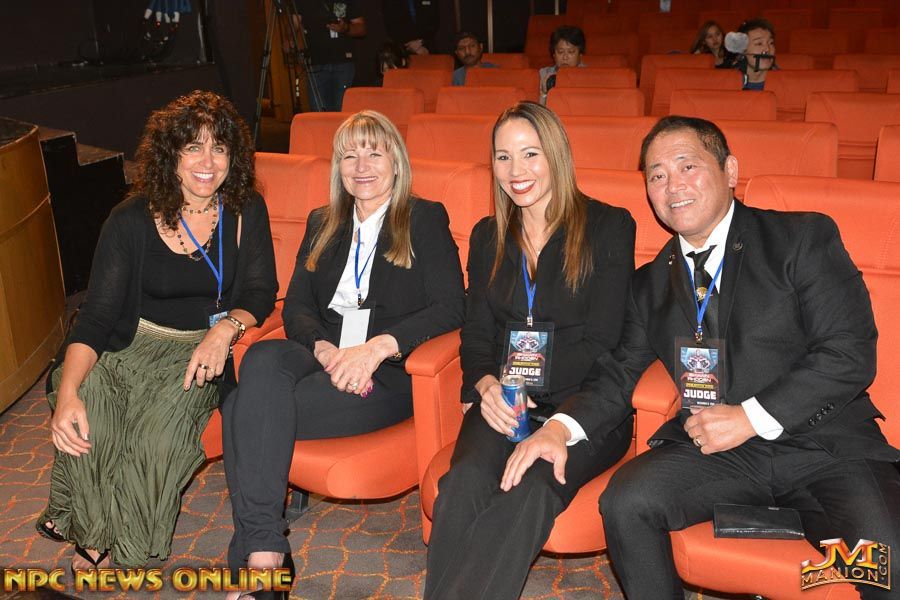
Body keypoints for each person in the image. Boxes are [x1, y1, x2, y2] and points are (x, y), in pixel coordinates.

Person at [501, 115, 900, 600]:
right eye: (657, 175)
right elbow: (618, 375)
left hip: (824, 446)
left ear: (730, 171)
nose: (673, 186)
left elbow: (848, 352)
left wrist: (750, 417)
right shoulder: (650, 285)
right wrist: (559, 429)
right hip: (721, 455)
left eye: (687, 166)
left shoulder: (800, 238)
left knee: (886, 564)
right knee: (627, 501)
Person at [222, 110, 465, 597]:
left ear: (396, 161)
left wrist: (376, 348)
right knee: (261, 360)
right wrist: (323, 348)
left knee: (238, 408)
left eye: (374, 153)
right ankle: (267, 550)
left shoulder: (423, 218)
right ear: (338, 167)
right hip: (325, 350)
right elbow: (297, 304)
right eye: (350, 155)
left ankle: (259, 562)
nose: (361, 166)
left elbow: (452, 305)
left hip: (387, 370)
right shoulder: (323, 221)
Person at [37, 90, 277, 570]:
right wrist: (68, 392)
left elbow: (259, 291)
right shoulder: (129, 221)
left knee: (156, 441)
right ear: (171, 156)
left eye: (219, 148)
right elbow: (98, 316)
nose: (207, 162)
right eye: (193, 147)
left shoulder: (245, 208)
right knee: (92, 417)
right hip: (127, 345)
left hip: (196, 355)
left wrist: (225, 330)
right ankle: (94, 531)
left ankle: (128, 545)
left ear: (233, 157)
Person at [424, 101, 636, 600]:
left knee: (529, 492)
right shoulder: (488, 236)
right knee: (463, 483)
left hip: (583, 406)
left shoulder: (608, 226)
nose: (516, 171)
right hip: (505, 399)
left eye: (530, 154)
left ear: (556, 154)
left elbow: (604, 342)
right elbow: (477, 332)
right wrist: (484, 384)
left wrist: (519, 384)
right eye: (503, 157)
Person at [292, 0, 366, 111]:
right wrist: (290, 37)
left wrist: (346, 28)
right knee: (319, 113)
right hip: (315, 64)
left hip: (343, 63)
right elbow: (294, 23)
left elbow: (361, 28)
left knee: (342, 113)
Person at [723, 18, 776, 90]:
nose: (767, 49)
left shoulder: (784, 82)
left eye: (771, 43)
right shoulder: (726, 83)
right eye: (759, 43)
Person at [539, 25, 587, 104]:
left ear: (580, 54)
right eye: (560, 52)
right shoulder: (543, 74)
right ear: (554, 55)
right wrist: (544, 94)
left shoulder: (588, 75)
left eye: (571, 52)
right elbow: (535, 110)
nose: (565, 57)